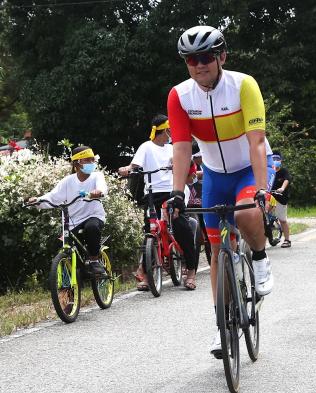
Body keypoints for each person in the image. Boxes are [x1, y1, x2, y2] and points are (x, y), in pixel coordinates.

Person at [167, 25, 273, 357]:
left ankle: (260, 257)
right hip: (215, 176)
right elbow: (181, 147)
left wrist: (262, 188)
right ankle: (221, 327)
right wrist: (177, 192)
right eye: (191, 60)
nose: (199, 65)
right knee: (216, 250)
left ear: (221, 57)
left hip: (249, 168)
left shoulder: (243, 85)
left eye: (205, 58)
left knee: (247, 212)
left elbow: (257, 142)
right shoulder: (180, 96)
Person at [118, 114, 198, 290]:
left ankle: (191, 271)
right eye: (169, 131)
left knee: (181, 226)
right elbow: (134, 165)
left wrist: (177, 163)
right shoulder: (146, 147)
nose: (171, 134)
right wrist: (127, 169)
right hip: (153, 193)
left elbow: (186, 163)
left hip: (173, 191)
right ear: (163, 131)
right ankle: (147, 275)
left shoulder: (173, 148)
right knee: (150, 230)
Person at [28, 146, 107, 276]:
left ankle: (94, 260)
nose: (91, 163)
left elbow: (102, 188)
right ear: (77, 163)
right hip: (73, 221)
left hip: (94, 216)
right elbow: (53, 196)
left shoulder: (96, 176)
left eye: (93, 160)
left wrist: (97, 192)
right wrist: (37, 200)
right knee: (67, 245)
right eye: (87, 160)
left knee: (92, 227)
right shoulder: (67, 181)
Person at [270, 151, 292, 247]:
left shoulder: (284, 171)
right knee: (263, 219)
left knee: (282, 220)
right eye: (273, 159)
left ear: (281, 160)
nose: (275, 161)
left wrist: (282, 188)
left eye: (277, 159)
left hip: (280, 198)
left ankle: (287, 240)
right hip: (269, 197)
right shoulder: (269, 171)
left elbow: (287, 180)